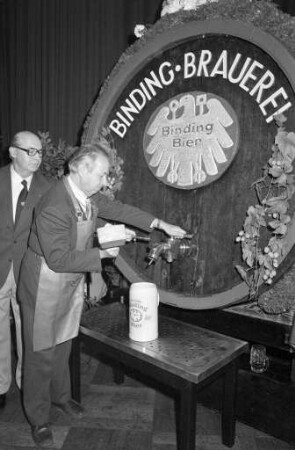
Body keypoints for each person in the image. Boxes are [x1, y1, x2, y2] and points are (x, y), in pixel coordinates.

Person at [18, 142, 187, 448]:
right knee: (40, 352)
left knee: (63, 342)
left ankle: (61, 398)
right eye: (102, 174)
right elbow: (57, 259)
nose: (106, 181)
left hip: (66, 280)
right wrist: (105, 253)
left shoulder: (87, 194)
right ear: (81, 169)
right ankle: (38, 419)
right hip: (43, 281)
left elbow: (119, 210)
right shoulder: (54, 205)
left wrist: (160, 224)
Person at [0, 131, 53, 409]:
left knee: (28, 332)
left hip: (29, 271)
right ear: (12, 152)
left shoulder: (48, 187)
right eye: (30, 151)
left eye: (40, 152)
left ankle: (26, 384)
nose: (37, 157)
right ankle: (0, 385)